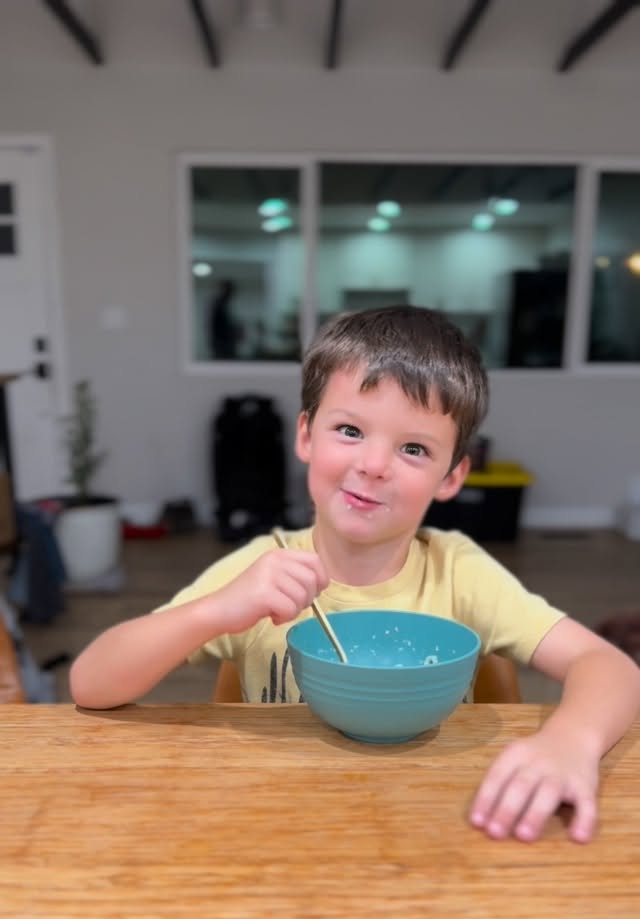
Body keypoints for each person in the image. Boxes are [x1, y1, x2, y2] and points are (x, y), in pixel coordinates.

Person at [70, 306, 640, 844]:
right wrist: (215, 610)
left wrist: (572, 742)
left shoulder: (458, 572)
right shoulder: (254, 567)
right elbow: (92, 685)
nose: (372, 464)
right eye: (349, 431)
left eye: (414, 448)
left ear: (451, 476)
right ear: (305, 435)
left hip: (433, 823)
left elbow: (609, 666)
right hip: (276, 825)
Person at [209, 279, 241, 359]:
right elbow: (220, 327)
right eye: (230, 290)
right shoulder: (219, 305)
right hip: (222, 344)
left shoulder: (223, 305)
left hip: (223, 344)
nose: (232, 294)